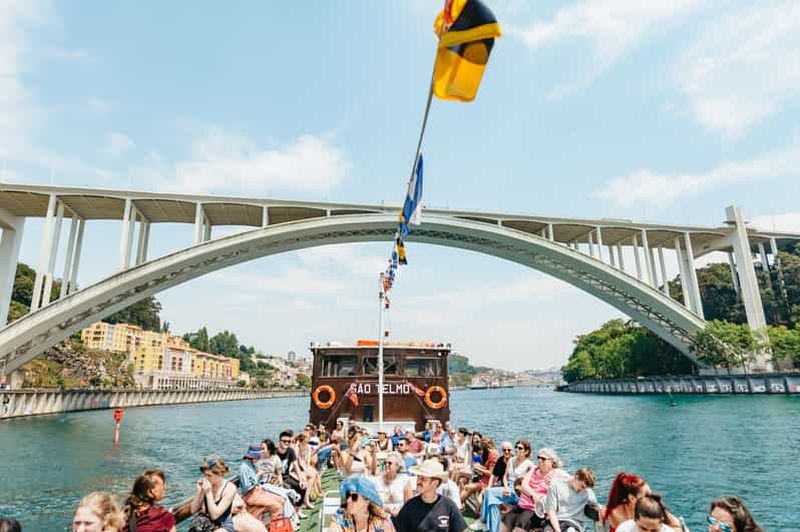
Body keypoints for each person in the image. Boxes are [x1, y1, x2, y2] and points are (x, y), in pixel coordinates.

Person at [501, 448, 569, 532]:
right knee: (506, 521)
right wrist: (533, 495)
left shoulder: (557, 473)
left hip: (535, 510)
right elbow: (524, 484)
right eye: (538, 458)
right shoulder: (534, 469)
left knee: (521, 524)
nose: (540, 460)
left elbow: (572, 481)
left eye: (543, 459)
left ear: (552, 461)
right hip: (522, 505)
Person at [393, 459, 467, 532]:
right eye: (418, 477)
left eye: (423, 479)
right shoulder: (410, 506)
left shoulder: (449, 506)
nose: (418, 481)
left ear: (435, 483)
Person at [604, 472, 683, 532]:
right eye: (646, 495)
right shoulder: (618, 515)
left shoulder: (653, 509)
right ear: (632, 498)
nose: (651, 498)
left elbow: (678, 526)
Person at [238, 444, 285, 525]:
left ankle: (269, 525)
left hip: (258, 491)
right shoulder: (244, 467)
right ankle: (276, 528)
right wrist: (259, 474)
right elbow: (247, 486)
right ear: (253, 456)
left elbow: (257, 481)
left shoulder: (252, 465)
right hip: (251, 495)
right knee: (277, 506)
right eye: (258, 456)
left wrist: (264, 475)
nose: (260, 458)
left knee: (281, 500)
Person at [329, 476, 395, 532]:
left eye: (354, 497)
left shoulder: (381, 520)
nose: (349, 500)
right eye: (348, 495)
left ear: (366, 501)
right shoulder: (340, 516)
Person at [542, 467, 597, 532]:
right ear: (576, 477)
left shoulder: (587, 491)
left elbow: (596, 507)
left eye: (586, 488)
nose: (583, 490)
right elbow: (551, 511)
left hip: (574, 523)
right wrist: (558, 530)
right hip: (555, 520)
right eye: (582, 486)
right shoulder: (555, 485)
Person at [190, 456, 236, 532]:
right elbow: (193, 510)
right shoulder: (206, 485)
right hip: (204, 522)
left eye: (209, 476)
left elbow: (215, 515)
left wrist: (208, 493)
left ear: (220, 474)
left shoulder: (229, 488)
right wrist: (199, 491)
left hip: (222, 524)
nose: (206, 478)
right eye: (205, 475)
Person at [367, 451, 413, 516]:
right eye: (385, 463)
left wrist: (400, 510)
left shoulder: (404, 480)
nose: (386, 465)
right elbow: (373, 502)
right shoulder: (377, 480)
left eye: (390, 463)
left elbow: (409, 503)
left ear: (398, 466)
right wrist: (388, 510)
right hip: (381, 514)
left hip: (400, 514)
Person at [276, 430, 308, 514]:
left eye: (288, 441)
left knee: (303, 487)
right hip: (277, 479)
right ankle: (289, 513)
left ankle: (297, 510)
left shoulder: (290, 451)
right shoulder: (274, 453)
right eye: (284, 441)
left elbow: (296, 465)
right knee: (287, 491)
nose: (286, 443)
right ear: (279, 441)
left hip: (287, 477)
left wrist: (301, 479)